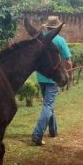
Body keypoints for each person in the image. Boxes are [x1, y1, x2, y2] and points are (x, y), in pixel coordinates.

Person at [31, 15, 72, 146]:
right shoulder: (59, 40)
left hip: (41, 77)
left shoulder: (40, 39)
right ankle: (37, 134)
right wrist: (70, 72)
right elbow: (68, 60)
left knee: (48, 104)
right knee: (48, 105)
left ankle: (53, 130)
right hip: (55, 77)